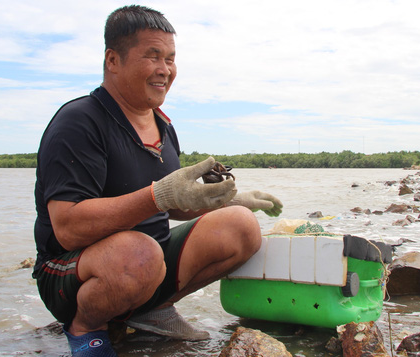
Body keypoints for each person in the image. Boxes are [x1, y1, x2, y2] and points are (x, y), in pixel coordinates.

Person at [32, 5, 282, 356]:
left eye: (170, 58)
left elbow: (171, 208)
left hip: (149, 263)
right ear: (113, 60)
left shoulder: (163, 126)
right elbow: (67, 228)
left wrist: (226, 201)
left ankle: (150, 310)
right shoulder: (79, 122)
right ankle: (86, 327)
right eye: (152, 56)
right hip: (71, 273)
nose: (164, 70)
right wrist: (159, 195)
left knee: (241, 226)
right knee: (139, 254)